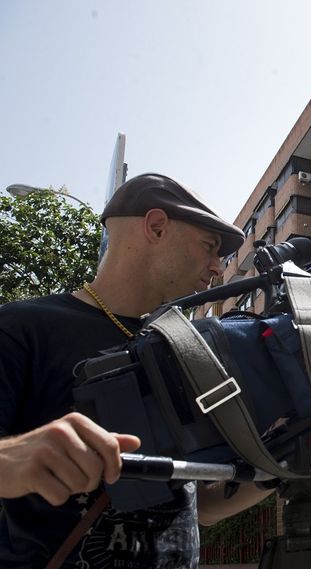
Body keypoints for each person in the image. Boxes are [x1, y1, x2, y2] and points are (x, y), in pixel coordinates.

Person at [0, 173, 274, 569]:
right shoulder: (21, 327)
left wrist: (281, 464)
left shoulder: (188, 349)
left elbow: (197, 509)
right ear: (156, 226)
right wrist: (14, 458)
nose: (217, 267)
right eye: (210, 247)